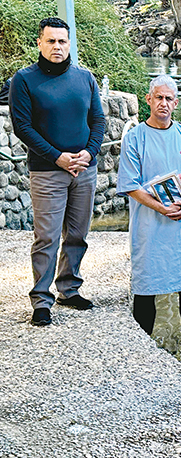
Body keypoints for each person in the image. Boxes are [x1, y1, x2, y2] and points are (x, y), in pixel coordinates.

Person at [9, 17, 105, 326]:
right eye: (50, 41)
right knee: (47, 237)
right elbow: (22, 127)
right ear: (39, 43)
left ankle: (69, 288)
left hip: (83, 170)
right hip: (47, 171)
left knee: (77, 234)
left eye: (62, 41)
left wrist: (89, 153)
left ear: (69, 43)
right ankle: (41, 300)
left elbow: (98, 121)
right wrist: (57, 157)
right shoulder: (24, 80)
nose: (57, 46)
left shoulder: (85, 78)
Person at [117, 75, 181, 341]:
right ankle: (142, 342)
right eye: (159, 97)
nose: (163, 103)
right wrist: (161, 207)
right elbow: (131, 185)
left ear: (176, 103)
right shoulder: (135, 138)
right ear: (149, 100)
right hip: (150, 227)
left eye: (169, 99)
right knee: (147, 286)